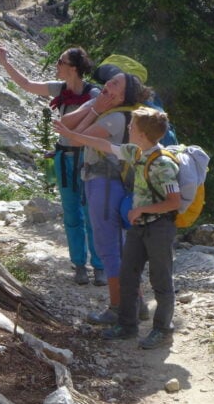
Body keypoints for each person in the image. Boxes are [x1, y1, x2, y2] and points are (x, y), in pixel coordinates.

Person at [56, 106, 180, 349]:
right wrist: (71, 134)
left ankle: (162, 329)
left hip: (159, 228)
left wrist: (142, 209)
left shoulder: (163, 164)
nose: (128, 128)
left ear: (142, 134)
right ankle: (127, 325)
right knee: (127, 275)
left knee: (161, 280)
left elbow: (174, 202)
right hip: (139, 226)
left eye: (132, 126)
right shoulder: (136, 152)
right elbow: (105, 146)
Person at [0, 45, 105, 286]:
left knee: (89, 213)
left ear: (73, 68)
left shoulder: (94, 95)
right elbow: (26, 84)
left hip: (88, 159)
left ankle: (99, 265)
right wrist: (5, 63)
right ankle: (79, 265)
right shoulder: (61, 89)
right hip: (64, 156)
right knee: (71, 212)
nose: (57, 65)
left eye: (60, 61)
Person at [53, 71, 152, 325]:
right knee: (119, 246)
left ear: (123, 96)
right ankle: (137, 304)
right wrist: (95, 108)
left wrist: (95, 109)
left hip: (104, 186)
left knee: (109, 248)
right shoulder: (123, 116)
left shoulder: (114, 119)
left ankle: (119, 308)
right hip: (112, 185)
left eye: (115, 84)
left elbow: (72, 138)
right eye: (110, 81)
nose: (108, 84)